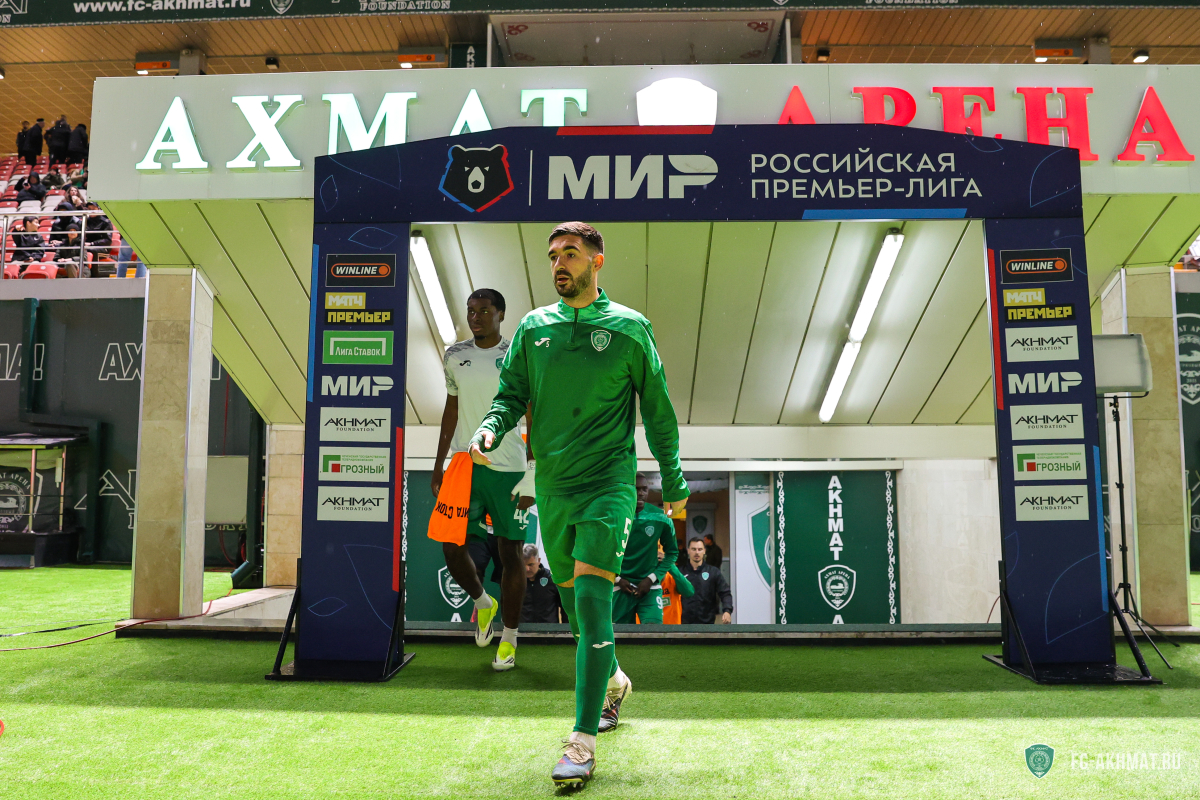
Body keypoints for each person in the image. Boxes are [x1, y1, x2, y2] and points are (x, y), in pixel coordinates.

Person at [470, 221, 689, 788]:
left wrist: (674, 481)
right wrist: (491, 427)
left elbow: (658, 412)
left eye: (570, 253)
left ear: (597, 261)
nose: (559, 264)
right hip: (554, 488)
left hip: (608, 485)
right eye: (553, 256)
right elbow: (510, 395)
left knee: (592, 602)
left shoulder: (630, 329)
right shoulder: (533, 328)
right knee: (575, 611)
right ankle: (614, 679)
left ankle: (582, 742)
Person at [430, 288, 534, 672]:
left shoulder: (517, 355)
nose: (476, 317)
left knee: (511, 554)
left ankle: (510, 638)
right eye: (471, 311)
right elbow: (451, 409)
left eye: (484, 311)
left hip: (509, 469)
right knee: (451, 547)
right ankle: (482, 602)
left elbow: (532, 412)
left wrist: (533, 473)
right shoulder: (454, 355)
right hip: (463, 465)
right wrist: (438, 464)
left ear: (501, 314)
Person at [610, 472, 678, 630]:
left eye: (644, 489)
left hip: (650, 588)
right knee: (619, 636)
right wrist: (617, 579)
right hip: (620, 587)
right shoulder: (613, 517)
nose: (641, 493)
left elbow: (672, 553)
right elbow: (601, 554)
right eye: (636, 488)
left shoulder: (660, 518)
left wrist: (652, 578)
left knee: (654, 633)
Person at [679, 537, 733, 624]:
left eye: (700, 549)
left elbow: (725, 593)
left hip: (707, 624)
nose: (697, 552)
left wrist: (727, 611)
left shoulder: (713, 572)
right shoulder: (680, 572)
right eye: (693, 549)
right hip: (684, 623)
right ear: (688, 551)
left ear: (704, 551)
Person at [521, 544, 562, 624]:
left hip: (549, 629)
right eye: (523, 565)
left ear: (539, 561)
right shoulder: (516, 580)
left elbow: (564, 607)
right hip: (522, 629)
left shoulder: (552, 579)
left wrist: (566, 629)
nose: (527, 569)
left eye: (530, 564)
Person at [659, 556, 695, 624]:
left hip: (672, 628)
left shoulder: (673, 578)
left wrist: (670, 565)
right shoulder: (643, 580)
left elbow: (689, 592)